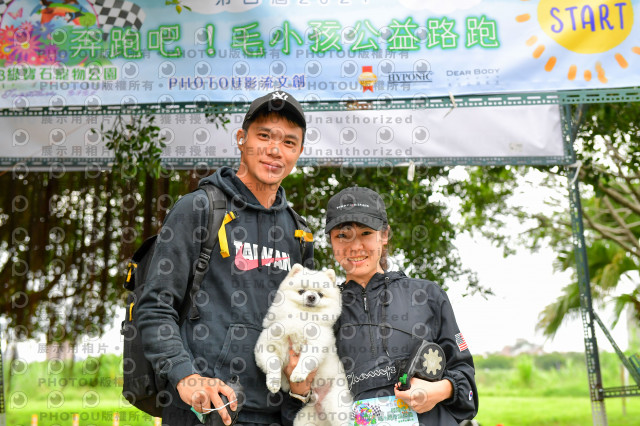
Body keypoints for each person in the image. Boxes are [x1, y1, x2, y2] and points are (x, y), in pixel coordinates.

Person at [137, 90, 314, 426]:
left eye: (289, 142)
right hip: (205, 411)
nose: (275, 150)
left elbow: (306, 327)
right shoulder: (200, 209)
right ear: (241, 138)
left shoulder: (299, 233)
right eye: (264, 136)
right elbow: (156, 305)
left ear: (300, 152)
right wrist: (186, 377)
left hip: (276, 414)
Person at [283, 186, 478, 425]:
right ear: (331, 241)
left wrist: (439, 391)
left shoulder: (429, 296)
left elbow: (467, 386)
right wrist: (299, 389)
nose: (354, 247)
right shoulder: (315, 312)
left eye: (366, 233)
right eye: (342, 235)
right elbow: (293, 405)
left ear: (384, 235)